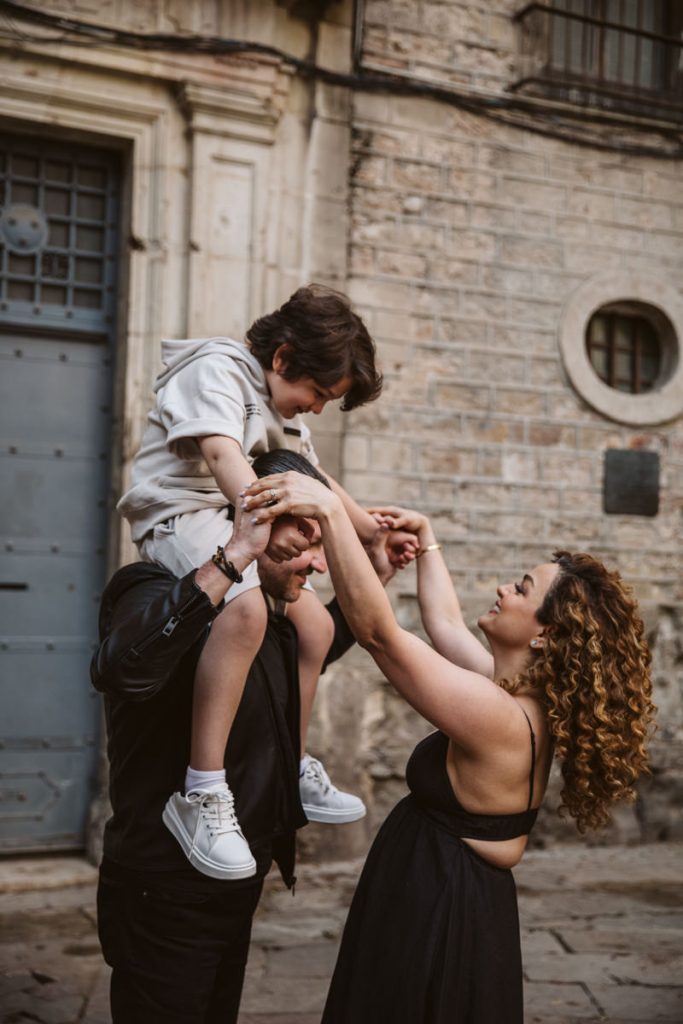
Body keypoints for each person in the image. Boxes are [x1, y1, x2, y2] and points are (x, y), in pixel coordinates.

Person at [242, 474, 656, 1024]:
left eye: (522, 589)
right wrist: (427, 537)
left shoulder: (499, 718)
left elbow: (379, 634)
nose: (505, 589)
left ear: (545, 637)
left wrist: (333, 516)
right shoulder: (514, 695)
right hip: (440, 889)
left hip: (437, 904)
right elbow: (443, 625)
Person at [116, 285, 415, 880]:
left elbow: (317, 479)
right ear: (282, 358)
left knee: (310, 626)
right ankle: (201, 791)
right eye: (320, 394)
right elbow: (225, 456)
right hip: (178, 514)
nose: (319, 409)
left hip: (228, 515)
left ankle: (296, 765)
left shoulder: (279, 407)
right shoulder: (216, 368)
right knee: (246, 609)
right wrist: (260, 526)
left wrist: (369, 531)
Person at [92, 451, 398, 1024]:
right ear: (252, 521)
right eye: (300, 544)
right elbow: (121, 669)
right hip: (164, 888)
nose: (316, 564)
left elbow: (311, 655)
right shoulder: (151, 585)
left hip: (236, 878)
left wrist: (377, 572)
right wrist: (233, 559)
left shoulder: (271, 612)